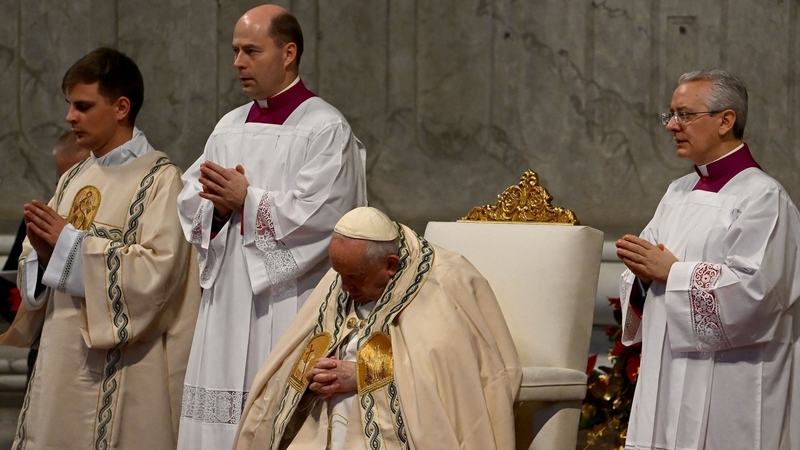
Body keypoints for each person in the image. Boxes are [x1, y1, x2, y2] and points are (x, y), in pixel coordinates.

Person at [176, 4, 367, 449]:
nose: (238, 63)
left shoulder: (324, 128)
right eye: (235, 51)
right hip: (226, 301)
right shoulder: (228, 127)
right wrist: (219, 210)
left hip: (288, 300)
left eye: (251, 51)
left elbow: (327, 216)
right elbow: (190, 195)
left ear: (288, 53)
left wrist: (249, 200)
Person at [0, 47, 201, 449]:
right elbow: (41, 269)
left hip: (121, 372)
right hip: (59, 364)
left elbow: (155, 276)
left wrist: (69, 245)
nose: (69, 117)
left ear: (121, 107)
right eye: (70, 105)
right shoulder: (73, 176)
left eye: (82, 106)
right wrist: (42, 256)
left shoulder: (161, 181)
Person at [232, 207, 521, 450]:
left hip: (401, 420)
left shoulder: (444, 281)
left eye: (354, 278)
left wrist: (361, 375)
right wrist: (316, 374)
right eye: (340, 275)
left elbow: (451, 372)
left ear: (391, 265)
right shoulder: (347, 275)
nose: (344, 287)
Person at [616, 69, 800, 449]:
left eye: (684, 114)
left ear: (725, 121)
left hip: (734, 380)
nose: (671, 126)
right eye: (669, 114)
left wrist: (674, 272)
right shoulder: (677, 192)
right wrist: (644, 276)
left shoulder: (764, 199)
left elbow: (758, 294)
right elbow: (647, 267)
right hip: (669, 372)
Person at [1, 132, 89, 325]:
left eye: (77, 181)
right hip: (45, 338)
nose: (67, 190)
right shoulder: (39, 219)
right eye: (62, 181)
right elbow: (9, 290)